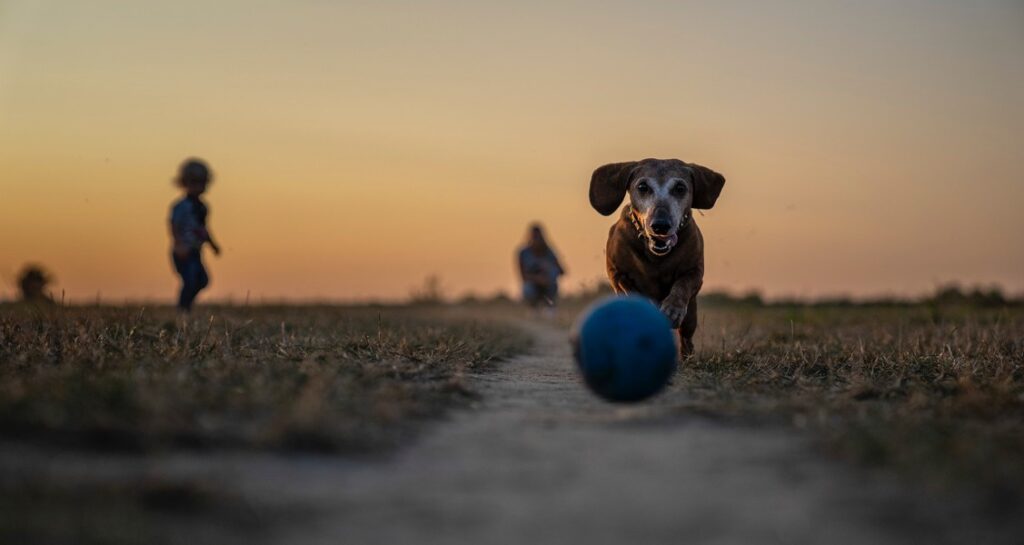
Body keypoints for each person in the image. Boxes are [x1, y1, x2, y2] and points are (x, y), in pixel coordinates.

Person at [169, 158, 220, 312]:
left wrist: (212, 245)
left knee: (202, 280)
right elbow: (174, 225)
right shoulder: (181, 206)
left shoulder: (203, 208)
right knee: (190, 280)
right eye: (194, 183)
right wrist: (178, 244)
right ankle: (182, 308)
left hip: (195, 251)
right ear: (184, 183)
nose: (198, 187)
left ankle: (187, 306)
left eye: (201, 183)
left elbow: (204, 229)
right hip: (183, 251)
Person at [517, 223, 565, 313]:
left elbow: (562, 271)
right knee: (528, 288)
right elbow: (522, 276)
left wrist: (548, 269)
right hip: (532, 286)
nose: (537, 240)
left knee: (553, 272)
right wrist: (538, 279)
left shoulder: (549, 252)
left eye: (539, 237)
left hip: (548, 285)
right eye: (535, 237)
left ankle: (551, 307)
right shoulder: (524, 253)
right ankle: (533, 308)